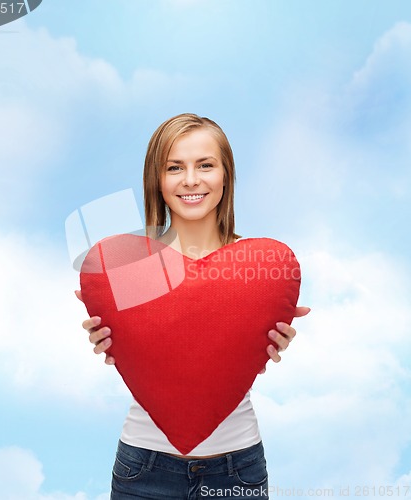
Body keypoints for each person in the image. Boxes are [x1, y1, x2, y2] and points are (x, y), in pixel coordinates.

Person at [75, 113, 310, 499]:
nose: (190, 180)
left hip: (237, 468)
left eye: (205, 165)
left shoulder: (260, 267)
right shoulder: (132, 267)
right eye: (174, 167)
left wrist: (265, 336)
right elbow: (148, 346)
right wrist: (110, 339)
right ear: (158, 180)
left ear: (225, 175)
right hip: (143, 467)